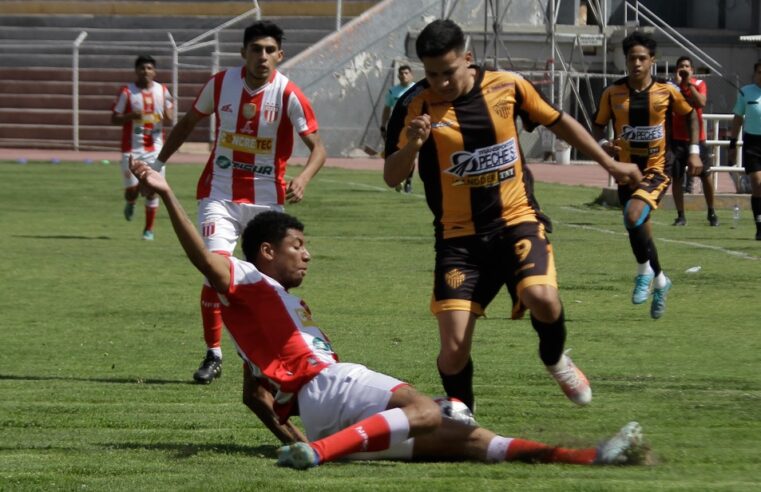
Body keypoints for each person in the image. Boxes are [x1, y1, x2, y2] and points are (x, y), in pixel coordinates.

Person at [129, 157, 646, 470]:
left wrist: (297, 438)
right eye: (298, 245)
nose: (306, 254)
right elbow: (203, 258)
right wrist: (169, 193)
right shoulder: (248, 278)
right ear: (266, 252)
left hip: (323, 415)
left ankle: (588, 457)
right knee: (428, 411)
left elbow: (253, 395)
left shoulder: (264, 311)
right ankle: (323, 454)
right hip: (330, 386)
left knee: (470, 441)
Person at [383, 19, 642, 413]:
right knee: (452, 352)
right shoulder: (413, 105)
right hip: (458, 240)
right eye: (432, 74)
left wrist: (610, 163)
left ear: (467, 59)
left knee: (543, 299)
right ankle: (464, 422)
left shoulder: (508, 86)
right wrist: (413, 146)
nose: (441, 83)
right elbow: (391, 176)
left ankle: (555, 358)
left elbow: (560, 123)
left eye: (449, 72)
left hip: (515, 221)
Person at [154, 21, 327, 384]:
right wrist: (158, 163)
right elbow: (187, 123)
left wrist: (304, 177)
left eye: (269, 50)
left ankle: (263, 354)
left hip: (266, 201)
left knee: (268, 282)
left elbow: (318, 148)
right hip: (220, 194)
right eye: (255, 49)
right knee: (214, 268)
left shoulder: (288, 94)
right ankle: (213, 353)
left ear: (279, 54)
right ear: (243, 52)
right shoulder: (221, 84)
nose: (262, 56)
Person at [593, 32, 702, 319]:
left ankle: (643, 273)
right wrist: (605, 146)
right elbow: (598, 126)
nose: (637, 63)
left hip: (657, 170)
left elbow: (690, 115)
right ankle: (661, 280)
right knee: (638, 228)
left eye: (643, 58)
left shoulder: (666, 91)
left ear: (652, 61)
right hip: (627, 172)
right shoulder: (612, 92)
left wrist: (693, 151)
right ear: (625, 60)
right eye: (632, 58)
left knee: (632, 215)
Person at [111, 54, 174, 241]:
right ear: (136, 71)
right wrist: (130, 116)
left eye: (149, 68)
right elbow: (114, 118)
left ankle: (148, 229)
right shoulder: (127, 92)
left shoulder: (162, 90)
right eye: (142, 68)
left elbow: (170, 114)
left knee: (153, 188)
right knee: (132, 189)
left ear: (154, 71)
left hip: (155, 148)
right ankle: (130, 201)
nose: (145, 72)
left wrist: (168, 113)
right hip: (132, 149)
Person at [669, 56, 717, 227]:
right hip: (677, 139)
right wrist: (677, 85)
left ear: (692, 70)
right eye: (681, 66)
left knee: (705, 176)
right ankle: (681, 215)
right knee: (677, 177)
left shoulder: (699, 84)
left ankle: (711, 211)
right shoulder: (671, 87)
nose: (684, 69)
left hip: (697, 139)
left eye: (687, 67)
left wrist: (688, 84)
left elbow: (700, 102)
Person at [728, 60, 761, 241]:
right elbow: (738, 118)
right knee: (758, 184)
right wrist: (732, 143)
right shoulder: (746, 92)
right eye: (759, 72)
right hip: (753, 143)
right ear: (755, 73)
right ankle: (759, 225)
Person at [381, 64, 416, 193]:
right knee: (394, 154)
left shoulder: (417, 89)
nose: (404, 76)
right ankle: (398, 179)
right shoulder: (393, 91)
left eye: (406, 73)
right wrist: (383, 125)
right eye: (401, 73)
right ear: (398, 75)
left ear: (411, 75)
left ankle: (408, 181)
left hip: (411, 126)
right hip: (396, 127)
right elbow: (387, 108)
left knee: (410, 154)